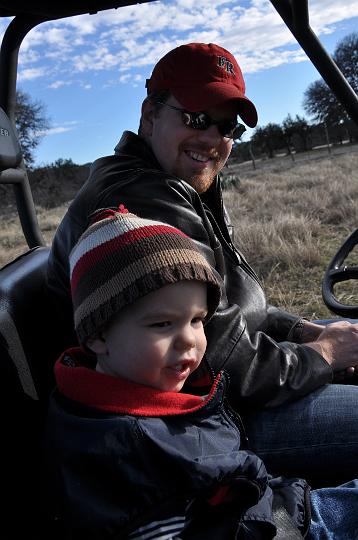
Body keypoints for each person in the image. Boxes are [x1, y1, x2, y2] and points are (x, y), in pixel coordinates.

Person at [46, 42, 358, 483]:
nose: (213, 138)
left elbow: (229, 306)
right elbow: (224, 365)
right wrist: (325, 353)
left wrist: (306, 332)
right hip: (193, 422)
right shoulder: (139, 200)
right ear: (150, 115)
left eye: (228, 127)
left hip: (217, 401)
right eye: (196, 118)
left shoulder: (176, 181)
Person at [44, 206, 358, 540]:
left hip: (272, 508)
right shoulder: (126, 454)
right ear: (98, 335)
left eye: (197, 320)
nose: (190, 340)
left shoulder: (142, 389)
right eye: (162, 324)